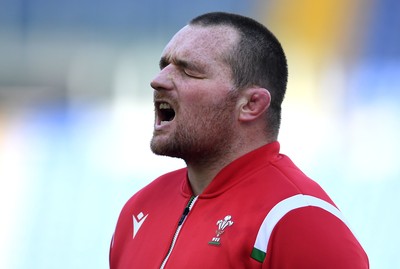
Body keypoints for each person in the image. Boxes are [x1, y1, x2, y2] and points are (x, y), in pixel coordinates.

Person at [109, 11, 369, 269]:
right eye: (164, 66)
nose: (158, 81)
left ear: (251, 104)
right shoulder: (140, 207)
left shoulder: (297, 217)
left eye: (189, 72)